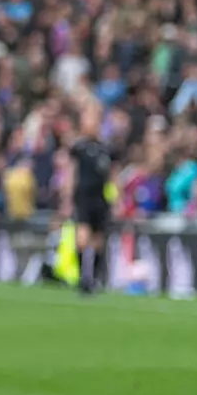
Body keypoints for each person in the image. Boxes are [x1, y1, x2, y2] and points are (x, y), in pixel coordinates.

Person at [70, 106, 112, 295]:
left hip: (100, 197)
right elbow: (71, 171)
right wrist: (67, 197)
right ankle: (82, 278)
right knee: (82, 237)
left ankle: (93, 279)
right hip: (83, 197)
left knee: (98, 239)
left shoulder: (105, 149)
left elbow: (111, 174)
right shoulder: (79, 147)